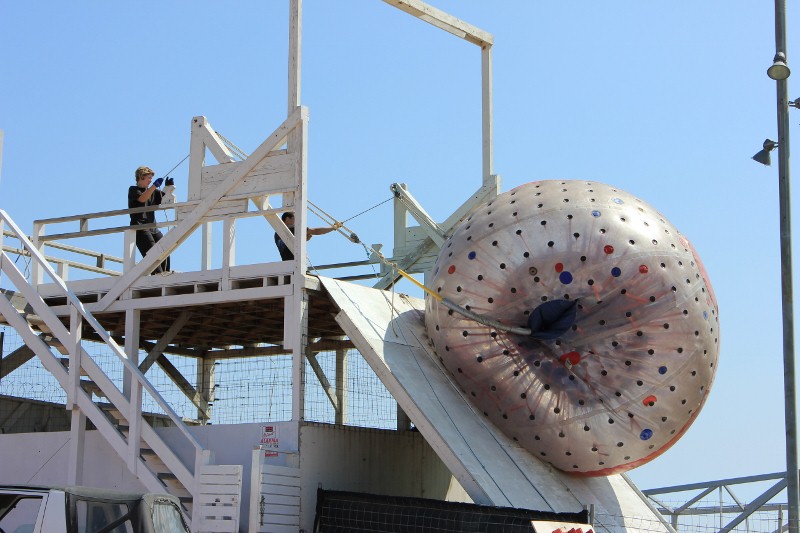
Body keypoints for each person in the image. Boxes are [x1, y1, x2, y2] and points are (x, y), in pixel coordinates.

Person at [128, 166, 171, 274]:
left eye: (151, 178)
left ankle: (164, 274)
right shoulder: (133, 190)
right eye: (149, 178)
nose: (151, 181)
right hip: (140, 227)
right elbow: (142, 199)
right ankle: (158, 275)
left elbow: (166, 200)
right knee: (152, 253)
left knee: (165, 248)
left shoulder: (153, 191)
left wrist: (168, 187)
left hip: (153, 227)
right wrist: (154, 186)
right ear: (141, 177)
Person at [274, 212, 341, 261]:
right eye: (293, 219)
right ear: (287, 219)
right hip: (295, 264)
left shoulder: (277, 233)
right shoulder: (292, 229)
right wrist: (333, 227)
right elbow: (315, 231)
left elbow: (288, 244)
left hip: (286, 262)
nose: (295, 222)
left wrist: (303, 239)